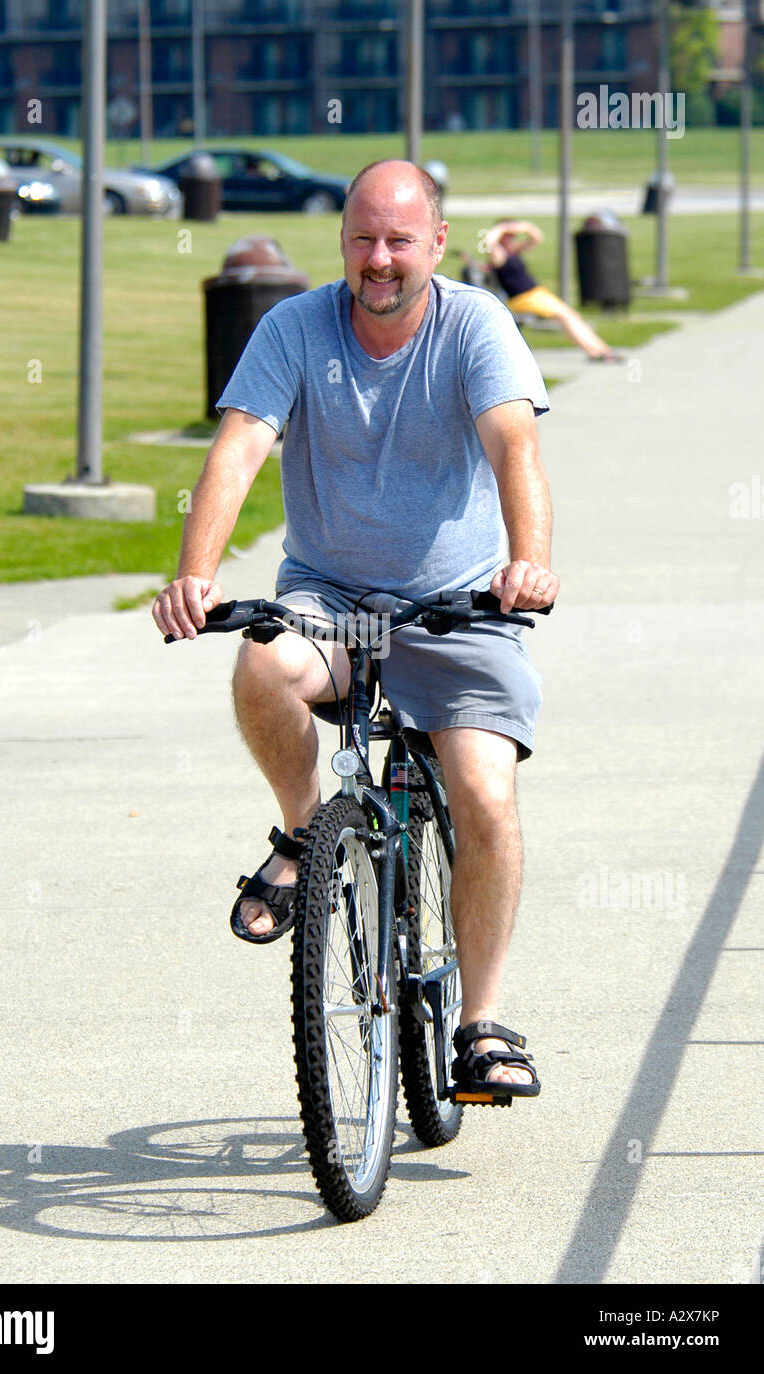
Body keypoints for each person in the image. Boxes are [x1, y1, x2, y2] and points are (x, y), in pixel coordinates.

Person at [152, 160, 561, 1099]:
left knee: (483, 799)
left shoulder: (475, 325)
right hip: (331, 596)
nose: (380, 261)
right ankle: (304, 832)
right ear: (342, 241)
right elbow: (241, 448)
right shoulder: (294, 327)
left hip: (461, 605)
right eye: (364, 240)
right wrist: (196, 577)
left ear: (437, 246)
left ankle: (482, 1023)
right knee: (264, 662)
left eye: (400, 242)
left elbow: (515, 445)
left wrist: (527, 562)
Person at [463, 219, 623, 363]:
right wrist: (501, 228)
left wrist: (523, 226)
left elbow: (537, 238)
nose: (511, 238)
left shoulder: (513, 252)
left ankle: (603, 350)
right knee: (565, 317)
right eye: (508, 235)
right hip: (523, 298)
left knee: (571, 315)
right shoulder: (497, 254)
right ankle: (594, 353)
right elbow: (489, 242)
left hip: (537, 294)